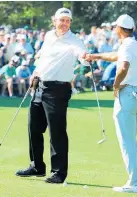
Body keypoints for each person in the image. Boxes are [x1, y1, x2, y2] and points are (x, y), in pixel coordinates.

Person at [15, 7, 87, 184]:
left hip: (58, 89)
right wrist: (36, 73)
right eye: (61, 20)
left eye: (67, 21)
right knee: (33, 127)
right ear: (54, 20)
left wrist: (85, 56)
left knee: (57, 131)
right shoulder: (48, 36)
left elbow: (81, 53)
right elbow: (44, 58)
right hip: (40, 85)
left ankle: (59, 172)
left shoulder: (74, 40)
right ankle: (37, 166)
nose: (64, 24)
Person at [85, 14, 137, 193]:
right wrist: (95, 56)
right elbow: (117, 57)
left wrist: (115, 85)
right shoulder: (136, 44)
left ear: (120, 29)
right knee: (131, 142)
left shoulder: (127, 45)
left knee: (127, 142)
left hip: (127, 95)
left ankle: (136, 183)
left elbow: (123, 66)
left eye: (116, 27)